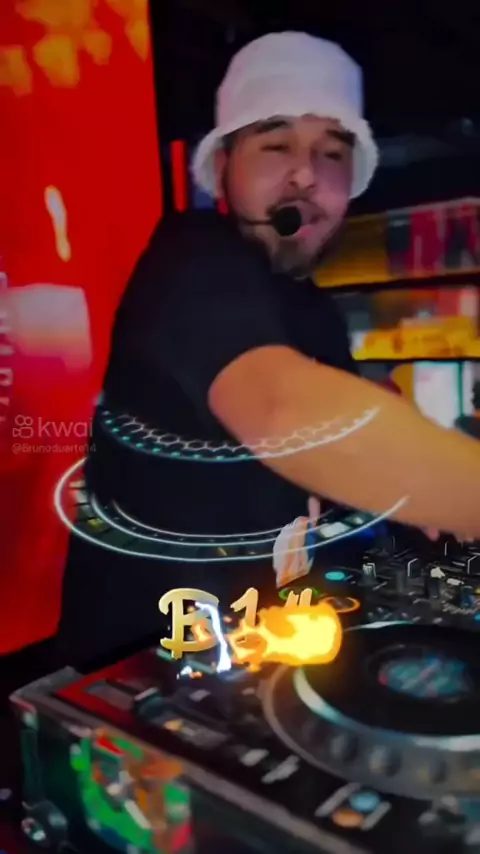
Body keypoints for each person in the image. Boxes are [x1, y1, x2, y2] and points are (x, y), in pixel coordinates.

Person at [60, 32, 480, 665]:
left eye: (332, 153)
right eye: (276, 144)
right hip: (145, 674)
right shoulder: (193, 259)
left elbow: (349, 419)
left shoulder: (311, 309)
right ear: (223, 167)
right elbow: (285, 408)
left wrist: (411, 477)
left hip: (260, 653)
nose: (306, 174)